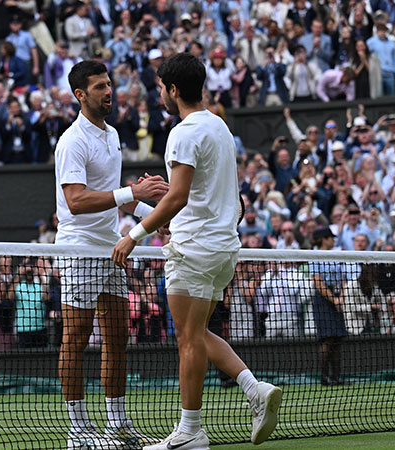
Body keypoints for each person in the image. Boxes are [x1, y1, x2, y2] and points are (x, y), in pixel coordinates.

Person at [112, 52, 282, 449]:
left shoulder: (183, 132)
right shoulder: (220, 128)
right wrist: (144, 202)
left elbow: (178, 199)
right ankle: (254, 389)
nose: (159, 97)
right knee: (198, 333)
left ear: (173, 90)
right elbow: (204, 200)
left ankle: (190, 433)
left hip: (193, 251)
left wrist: (132, 235)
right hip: (223, 250)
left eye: (160, 90)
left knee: (187, 340)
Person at [54, 60, 169, 449]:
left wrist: (154, 217)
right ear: (80, 95)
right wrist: (135, 194)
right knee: (76, 337)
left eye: (109, 84)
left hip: (110, 246)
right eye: (100, 86)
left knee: (119, 336)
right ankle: (78, 431)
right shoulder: (72, 141)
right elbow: (75, 201)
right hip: (79, 248)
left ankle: (117, 425)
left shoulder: (112, 134)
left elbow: (112, 195)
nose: (109, 91)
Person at [308, 227, 348, 386]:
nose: (333, 240)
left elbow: (343, 277)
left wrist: (341, 297)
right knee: (327, 339)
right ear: (324, 239)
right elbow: (318, 283)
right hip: (323, 299)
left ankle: (337, 377)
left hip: (338, 295)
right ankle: (325, 377)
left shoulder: (338, 253)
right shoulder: (314, 256)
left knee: (337, 339)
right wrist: (334, 300)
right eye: (331, 237)